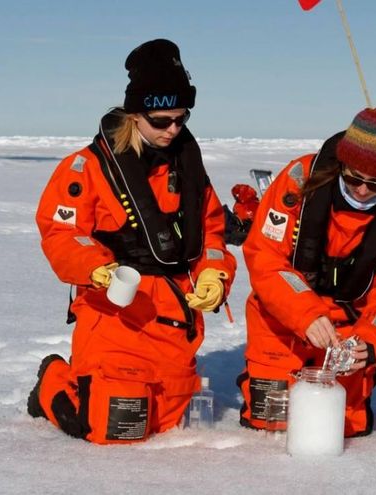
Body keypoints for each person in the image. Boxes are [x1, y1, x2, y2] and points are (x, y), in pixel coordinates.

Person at [27, 39, 237, 444]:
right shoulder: (86, 168)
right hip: (115, 314)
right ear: (135, 114)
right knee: (114, 427)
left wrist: (215, 274)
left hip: (174, 316)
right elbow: (61, 232)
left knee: (165, 424)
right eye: (161, 121)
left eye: (181, 119)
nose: (173, 129)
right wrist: (96, 268)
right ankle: (52, 381)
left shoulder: (188, 169)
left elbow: (212, 232)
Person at [236, 105, 376, 437]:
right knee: (273, 424)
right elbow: (266, 258)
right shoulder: (298, 181)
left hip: (348, 331)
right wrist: (305, 314)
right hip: (282, 316)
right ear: (341, 163)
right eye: (354, 177)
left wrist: (370, 343)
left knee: (338, 427)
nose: (362, 190)